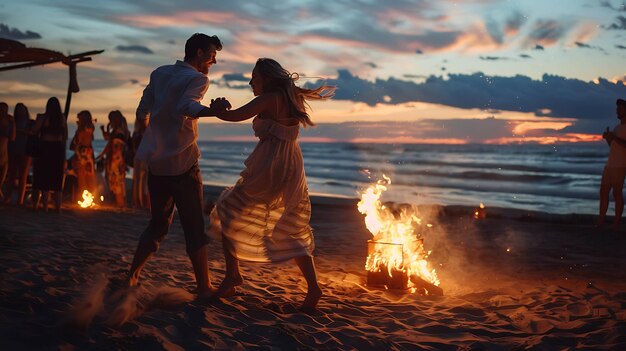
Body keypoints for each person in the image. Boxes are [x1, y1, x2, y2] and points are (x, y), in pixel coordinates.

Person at [208, 58, 335, 311]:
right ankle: (313, 288)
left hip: (270, 165)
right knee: (289, 223)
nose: (250, 82)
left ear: (266, 77)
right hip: (290, 164)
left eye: (254, 76)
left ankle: (233, 275)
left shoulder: (268, 98)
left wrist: (217, 108)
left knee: (227, 208)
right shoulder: (291, 98)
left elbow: (234, 116)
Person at [125, 33, 224, 298]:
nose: (214, 61)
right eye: (212, 55)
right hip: (183, 163)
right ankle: (203, 287)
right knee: (193, 226)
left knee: (158, 224)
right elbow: (186, 106)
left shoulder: (159, 73)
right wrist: (211, 112)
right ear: (200, 53)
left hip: (157, 164)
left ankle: (132, 274)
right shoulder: (198, 78)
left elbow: (141, 110)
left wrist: (149, 135)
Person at [31, 97, 67, 212]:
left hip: (45, 148)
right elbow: (65, 136)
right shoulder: (62, 118)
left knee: (44, 178)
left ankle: (45, 206)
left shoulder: (42, 117)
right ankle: (58, 207)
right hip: (58, 149)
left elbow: (34, 131)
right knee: (56, 179)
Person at [599, 98, 626, 228]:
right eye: (617, 108)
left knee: (617, 193)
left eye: (620, 109)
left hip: (620, 165)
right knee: (603, 191)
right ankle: (600, 221)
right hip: (610, 164)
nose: (617, 111)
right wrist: (608, 138)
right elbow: (613, 146)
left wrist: (614, 137)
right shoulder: (617, 127)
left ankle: (616, 223)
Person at [96, 110, 130, 207]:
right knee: (115, 185)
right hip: (115, 161)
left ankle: (121, 205)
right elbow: (110, 141)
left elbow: (117, 148)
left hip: (116, 161)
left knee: (118, 186)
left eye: (111, 120)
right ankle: (119, 205)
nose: (110, 122)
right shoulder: (117, 131)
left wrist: (121, 162)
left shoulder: (119, 132)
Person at [4, 103, 31, 205]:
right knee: (11, 175)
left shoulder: (29, 123)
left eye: (22, 109)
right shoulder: (12, 122)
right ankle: (8, 196)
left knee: (22, 176)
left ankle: (20, 199)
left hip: (24, 150)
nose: (20, 112)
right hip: (13, 149)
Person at [70, 110, 97, 198]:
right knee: (89, 176)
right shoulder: (91, 128)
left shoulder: (81, 129)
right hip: (88, 153)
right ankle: (90, 196)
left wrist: (78, 128)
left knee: (81, 176)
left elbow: (77, 141)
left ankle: (83, 196)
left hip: (82, 153)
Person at [131, 116, 150, 210]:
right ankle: (140, 202)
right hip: (141, 158)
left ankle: (140, 202)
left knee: (141, 181)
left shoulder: (137, 133)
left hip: (140, 157)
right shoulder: (141, 133)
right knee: (141, 181)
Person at [0, 102, 16, 202]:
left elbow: (12, 137)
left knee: (3, 174)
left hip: (4, 150)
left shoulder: (9, 121)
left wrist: (13, 123)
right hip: (3, 148)